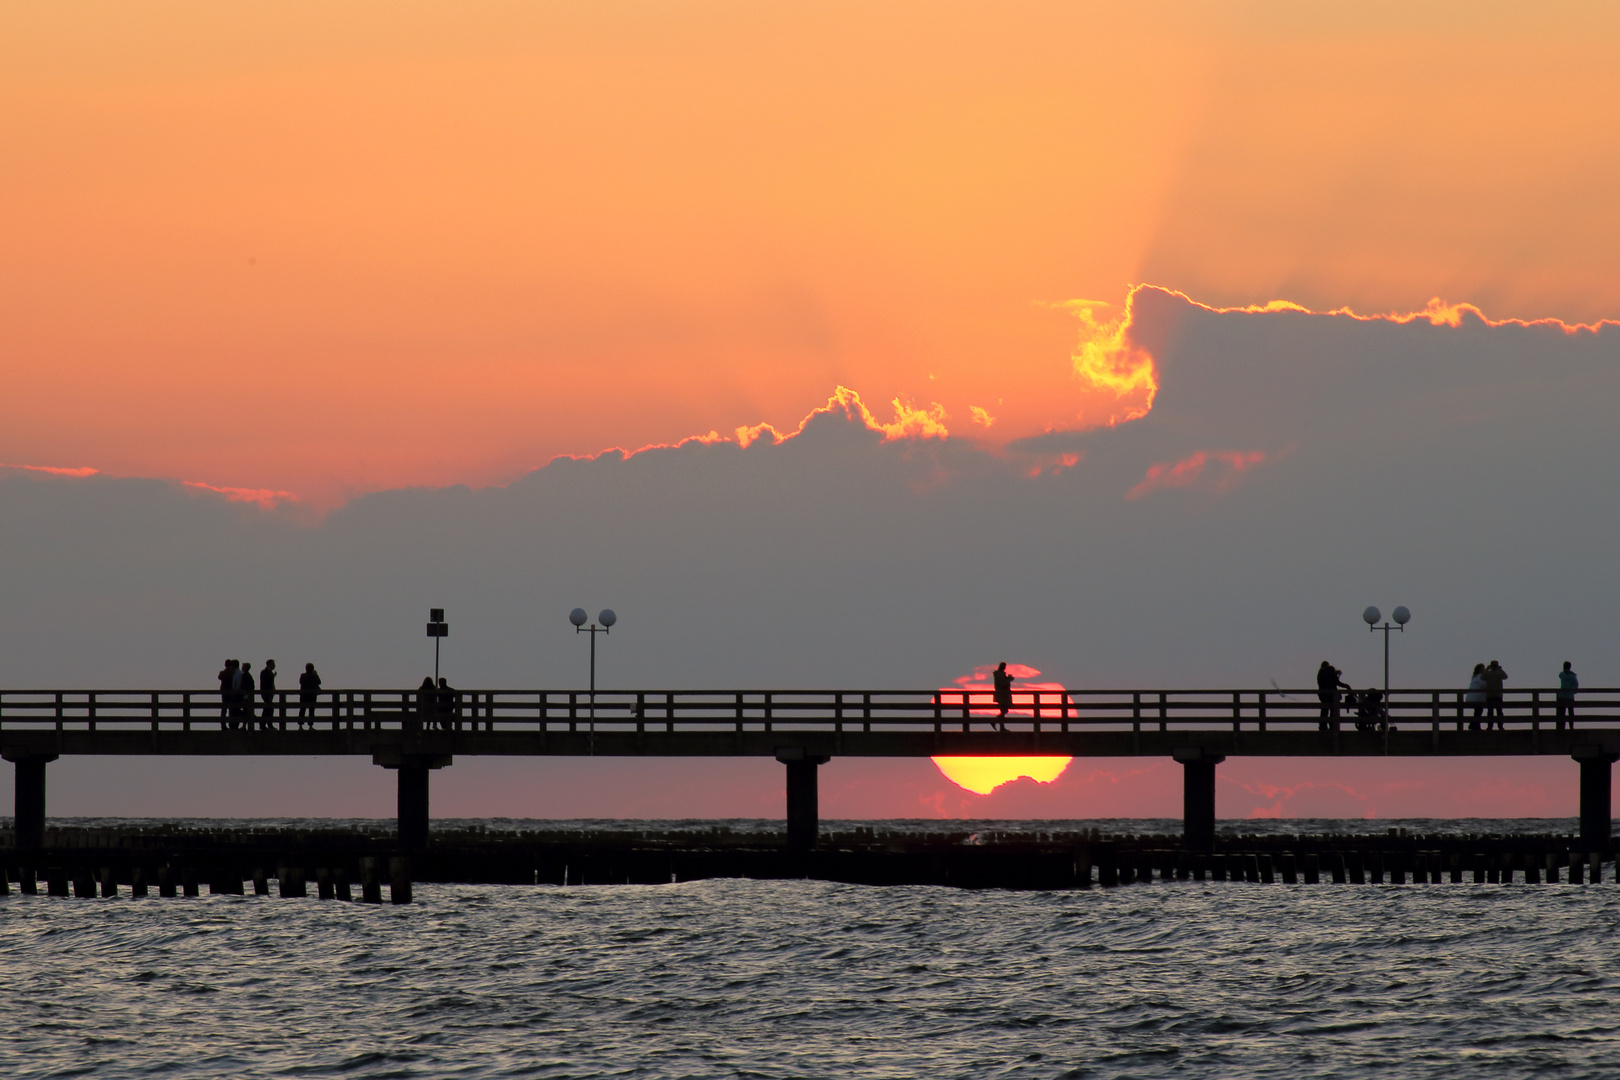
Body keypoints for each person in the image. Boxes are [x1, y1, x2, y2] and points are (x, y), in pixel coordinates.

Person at [1317, 661, 1350, 730]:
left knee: (1324, 711)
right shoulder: (1330, 672)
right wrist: (1346, 686)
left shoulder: (1320, 673)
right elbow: (1336, 682)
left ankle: (1322, 727)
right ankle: (1332, 726)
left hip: (1323, 696)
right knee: (1333, 712)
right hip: (1332, 696)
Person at [1483, 660, 1508, 730]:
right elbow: (1505, 676)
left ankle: (1490, 726)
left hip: (1489, 695)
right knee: (1499, 711)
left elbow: (1482, 677)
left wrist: (1486, 669)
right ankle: (1500, 726)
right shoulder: (1499, 673)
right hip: (1498, 695)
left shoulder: (1488, 673)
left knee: (1490, 712)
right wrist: (1500, 669)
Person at [298, 663, 322, 729]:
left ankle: (300, 725)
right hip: (312, 696)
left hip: (303, 695)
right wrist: (316, 674)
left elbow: (300, 682)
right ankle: (310, 726)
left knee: (302, 710)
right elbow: (319, 682)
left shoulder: (302, 675)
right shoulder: (314, 676)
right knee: (311, 711)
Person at [992, 662, 1014, 733]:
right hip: (1003, 695)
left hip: (1001, 695)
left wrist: (1007, 678)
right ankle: (995, 721)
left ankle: (1002, 727)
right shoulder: (1000, 674)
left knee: (1003, 711)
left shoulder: (998, 674)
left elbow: (1001, 683)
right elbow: (1002, 684)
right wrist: (1009, 679)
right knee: (1004, 711)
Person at [1557, 661, 1579, 730]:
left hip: (1562, 696)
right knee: (1571, 712)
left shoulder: (1562, 674)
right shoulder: (1572, 676)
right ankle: (1571, 727)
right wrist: (1574, 691)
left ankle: (1561, 727)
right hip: (1570, 696)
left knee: (1561, 713)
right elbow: (1576, 685)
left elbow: (1559, 676)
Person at [1464, 663, 1486, 731]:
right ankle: (1474, 726)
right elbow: (1485, 684)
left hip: (1473, 697)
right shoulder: (1480, 677)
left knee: (1477, 712)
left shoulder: (1475, 677)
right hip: (1477, 698)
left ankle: (1474, 725)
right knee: (1478, 712)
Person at [218, 659, 237, 727]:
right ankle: (231, 724)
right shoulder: (233, 672)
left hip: (224, 692)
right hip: (231, 692)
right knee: (231, 709)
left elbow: (219, 677)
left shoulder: (223, 672)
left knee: (224, 709)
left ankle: (223, 725)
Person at [259, 659, 278, 730]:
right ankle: (266, 725)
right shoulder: (264, 672)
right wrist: (273, 676)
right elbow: (265, 682)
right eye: (273, 664)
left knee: (267, 709)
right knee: (269, 708)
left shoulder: (269, 672)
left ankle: (265, 724)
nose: (274, 666)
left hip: (270, 693)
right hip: (265, 693)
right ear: (269, 664)